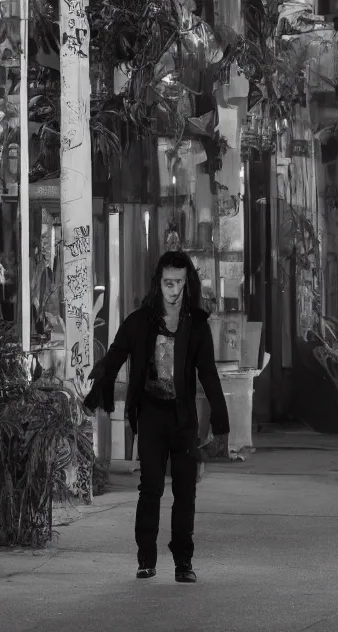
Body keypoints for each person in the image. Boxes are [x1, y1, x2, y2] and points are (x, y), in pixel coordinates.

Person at [83, 250, 230, 583]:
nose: (173, 289)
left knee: (185, 492)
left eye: (179, 282)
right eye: (168, 283)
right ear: (158, 283)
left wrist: (220, 427)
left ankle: (183, 562)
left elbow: (208, 376)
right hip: (150, 415)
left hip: (183, 418)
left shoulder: (197, 326)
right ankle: (146, 559)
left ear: (187, 283)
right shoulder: (140, 322)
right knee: (150, 489)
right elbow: (116, 354)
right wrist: (97, 394)